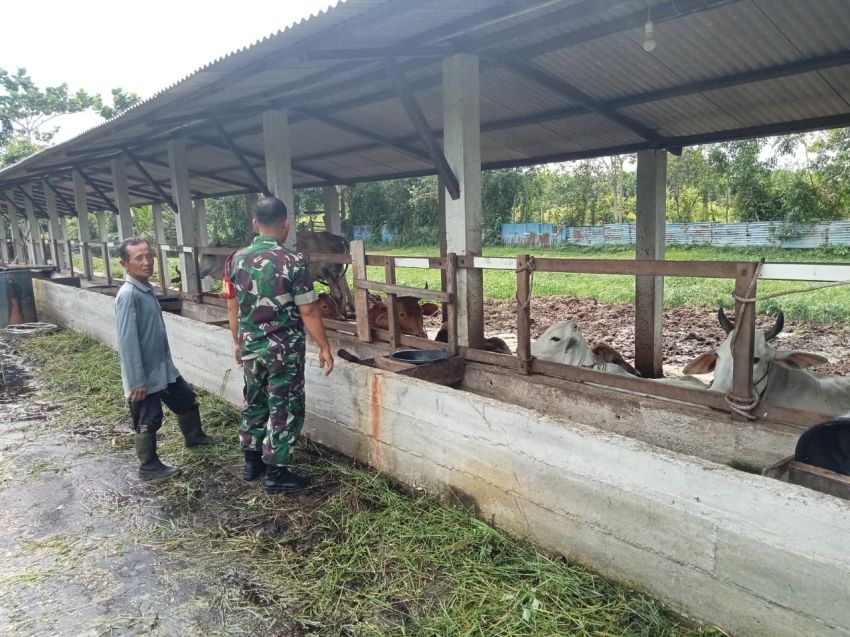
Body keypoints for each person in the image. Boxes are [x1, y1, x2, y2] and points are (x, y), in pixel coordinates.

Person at [227, 196, 334, 494]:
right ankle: (276, 472)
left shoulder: (236, 259)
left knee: (255, 399)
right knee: (284, 404)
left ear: (254, 224)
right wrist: (324, 346)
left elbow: (233, 305)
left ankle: (252, 462)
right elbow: (309, 310)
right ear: (286, 223)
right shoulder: (293, 261)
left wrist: (237, 341)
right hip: (282, 349)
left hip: (250, 346)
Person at [115, 237, 215, 481]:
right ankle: (149, 467)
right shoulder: (128, 295)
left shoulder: (146, 289)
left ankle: (194, 437)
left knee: (187, 401)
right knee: (148, 420)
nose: (146, 262)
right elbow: (127, 342)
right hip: (145, 375)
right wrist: (137, 381)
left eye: (149, 256)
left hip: (163, 368)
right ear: (124, 264)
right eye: (138, 258)